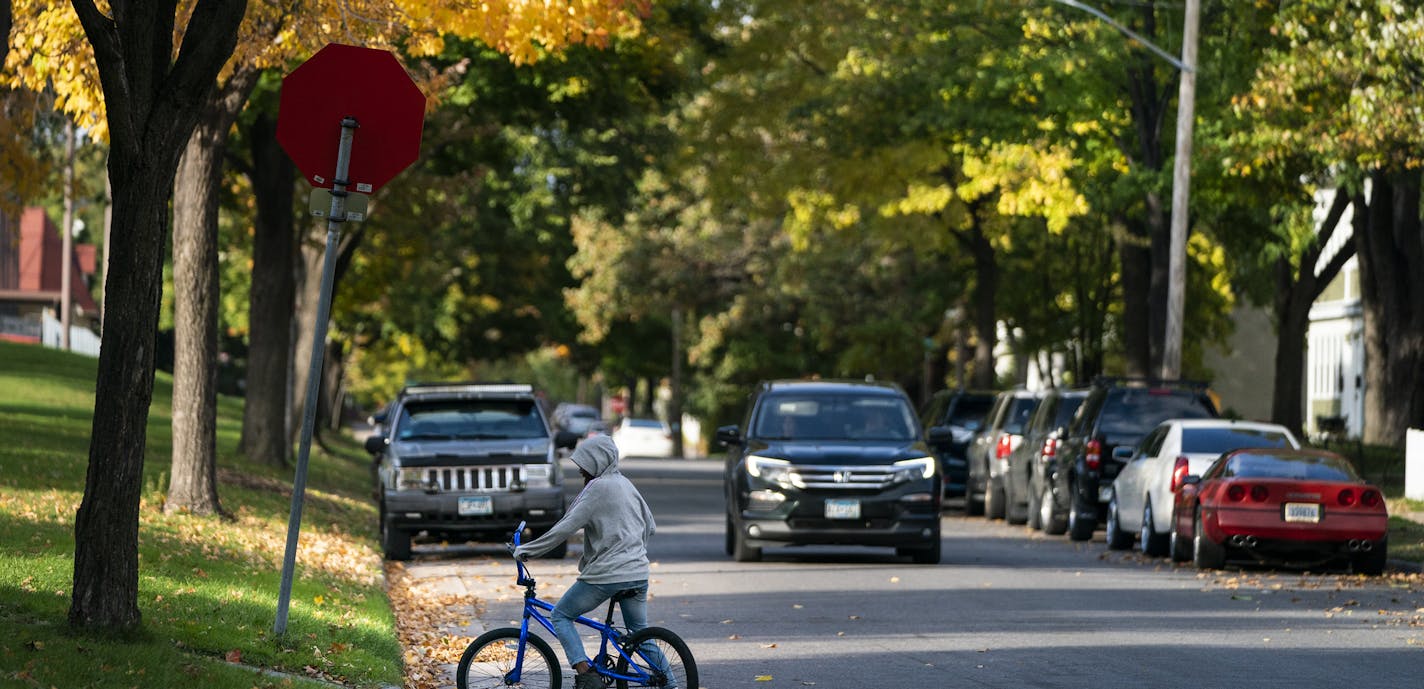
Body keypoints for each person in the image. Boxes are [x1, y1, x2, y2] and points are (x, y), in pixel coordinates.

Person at [514, 434, 658, 689]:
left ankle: (587, 674)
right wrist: (633, 550)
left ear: (596, 464)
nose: (583, 476)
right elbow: (651, 526)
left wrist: (528, 551)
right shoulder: (626, 484)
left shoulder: (597, 488)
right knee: (641, 637)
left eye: (584, 471)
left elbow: (564, 528)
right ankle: (669, 683)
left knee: (560, 615)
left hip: (609, 574)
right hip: (638, 572)